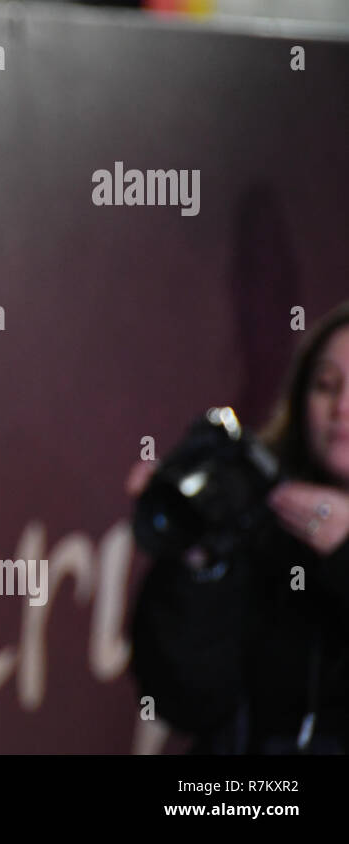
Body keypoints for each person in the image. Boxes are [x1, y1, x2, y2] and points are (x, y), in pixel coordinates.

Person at [127, 300, 349, 753]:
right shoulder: (260, 521)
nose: (342, 406)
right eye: (326, 385)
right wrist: (200, 558)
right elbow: (184, 702)